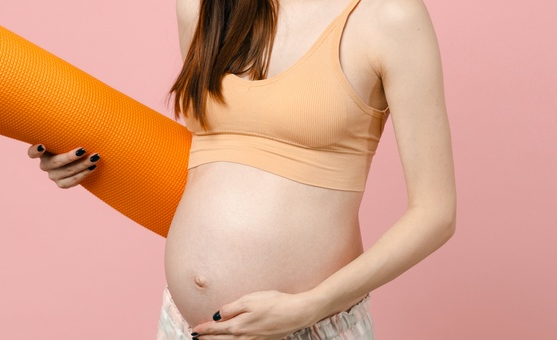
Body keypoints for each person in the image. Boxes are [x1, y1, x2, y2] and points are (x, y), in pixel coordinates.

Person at [26, 0, 456, 338]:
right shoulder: (204, 7)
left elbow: (435, 213)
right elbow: (215, 161)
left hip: (309, 327)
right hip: (184, 328)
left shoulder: (389, 17)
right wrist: (91, 164)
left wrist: (310, 306)